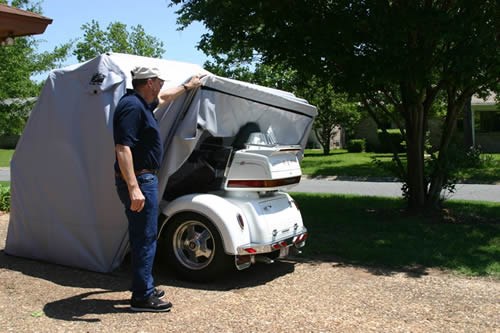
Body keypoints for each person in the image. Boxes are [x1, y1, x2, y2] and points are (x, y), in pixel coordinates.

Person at [113, 66, 202, 312]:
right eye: (159, 80)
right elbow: (122, 148)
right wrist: (133, 187)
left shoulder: (142, 103)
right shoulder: (131, 106)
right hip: (140, 181)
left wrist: (187, 86)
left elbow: (163, 98)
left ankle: (145, 287)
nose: (162, 84)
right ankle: (142, 298)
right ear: (150, 82)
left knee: (145, 236)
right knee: (145, 238)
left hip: (144, 179)